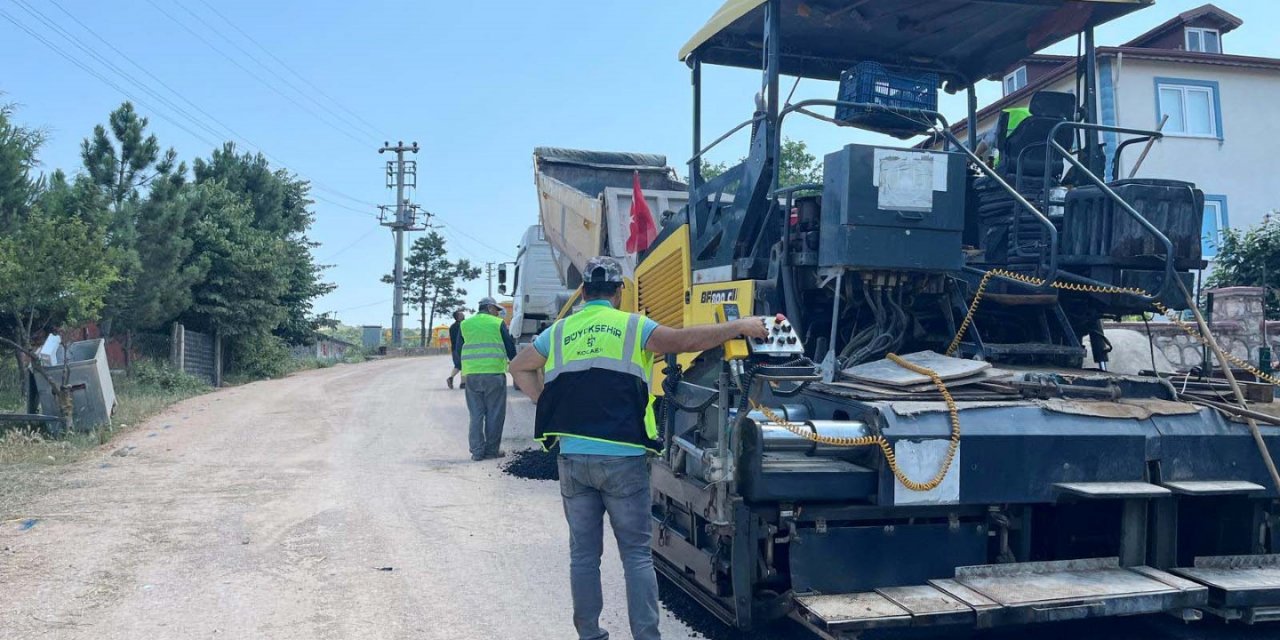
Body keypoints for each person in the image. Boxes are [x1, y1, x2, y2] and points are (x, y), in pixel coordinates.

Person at [509, 256, 768, 640]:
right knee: (635, 555)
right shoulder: (633, 327)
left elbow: (518, 367)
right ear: (618, 293)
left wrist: (546, 403)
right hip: (623, 458)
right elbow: (685, 341)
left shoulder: (559, 332)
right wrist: (740, 326)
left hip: (574, 457)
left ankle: (589, 634)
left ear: (582, 292)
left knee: (583, 555)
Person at [457, 297, 517, 461]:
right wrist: (516, 362)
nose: (497, 313)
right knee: (495, 414)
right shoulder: (497, 323)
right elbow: (509, 347)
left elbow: (457, 351)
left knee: (476, 414)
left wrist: (463, 370)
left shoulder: (465, 324)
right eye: (496, 310)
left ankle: (477, 451)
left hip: (472, 376)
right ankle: (491, 451)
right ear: (490, 308)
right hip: (494, 374)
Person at [446, 310, 466, 389]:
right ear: (458, 317)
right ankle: (463, 383)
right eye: (461, 314)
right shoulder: (462, 325)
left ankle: (452, 378)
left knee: (458, 365)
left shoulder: (452, 326)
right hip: (461, 347)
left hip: (454, 348)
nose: (463, 315)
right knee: (463, 365)